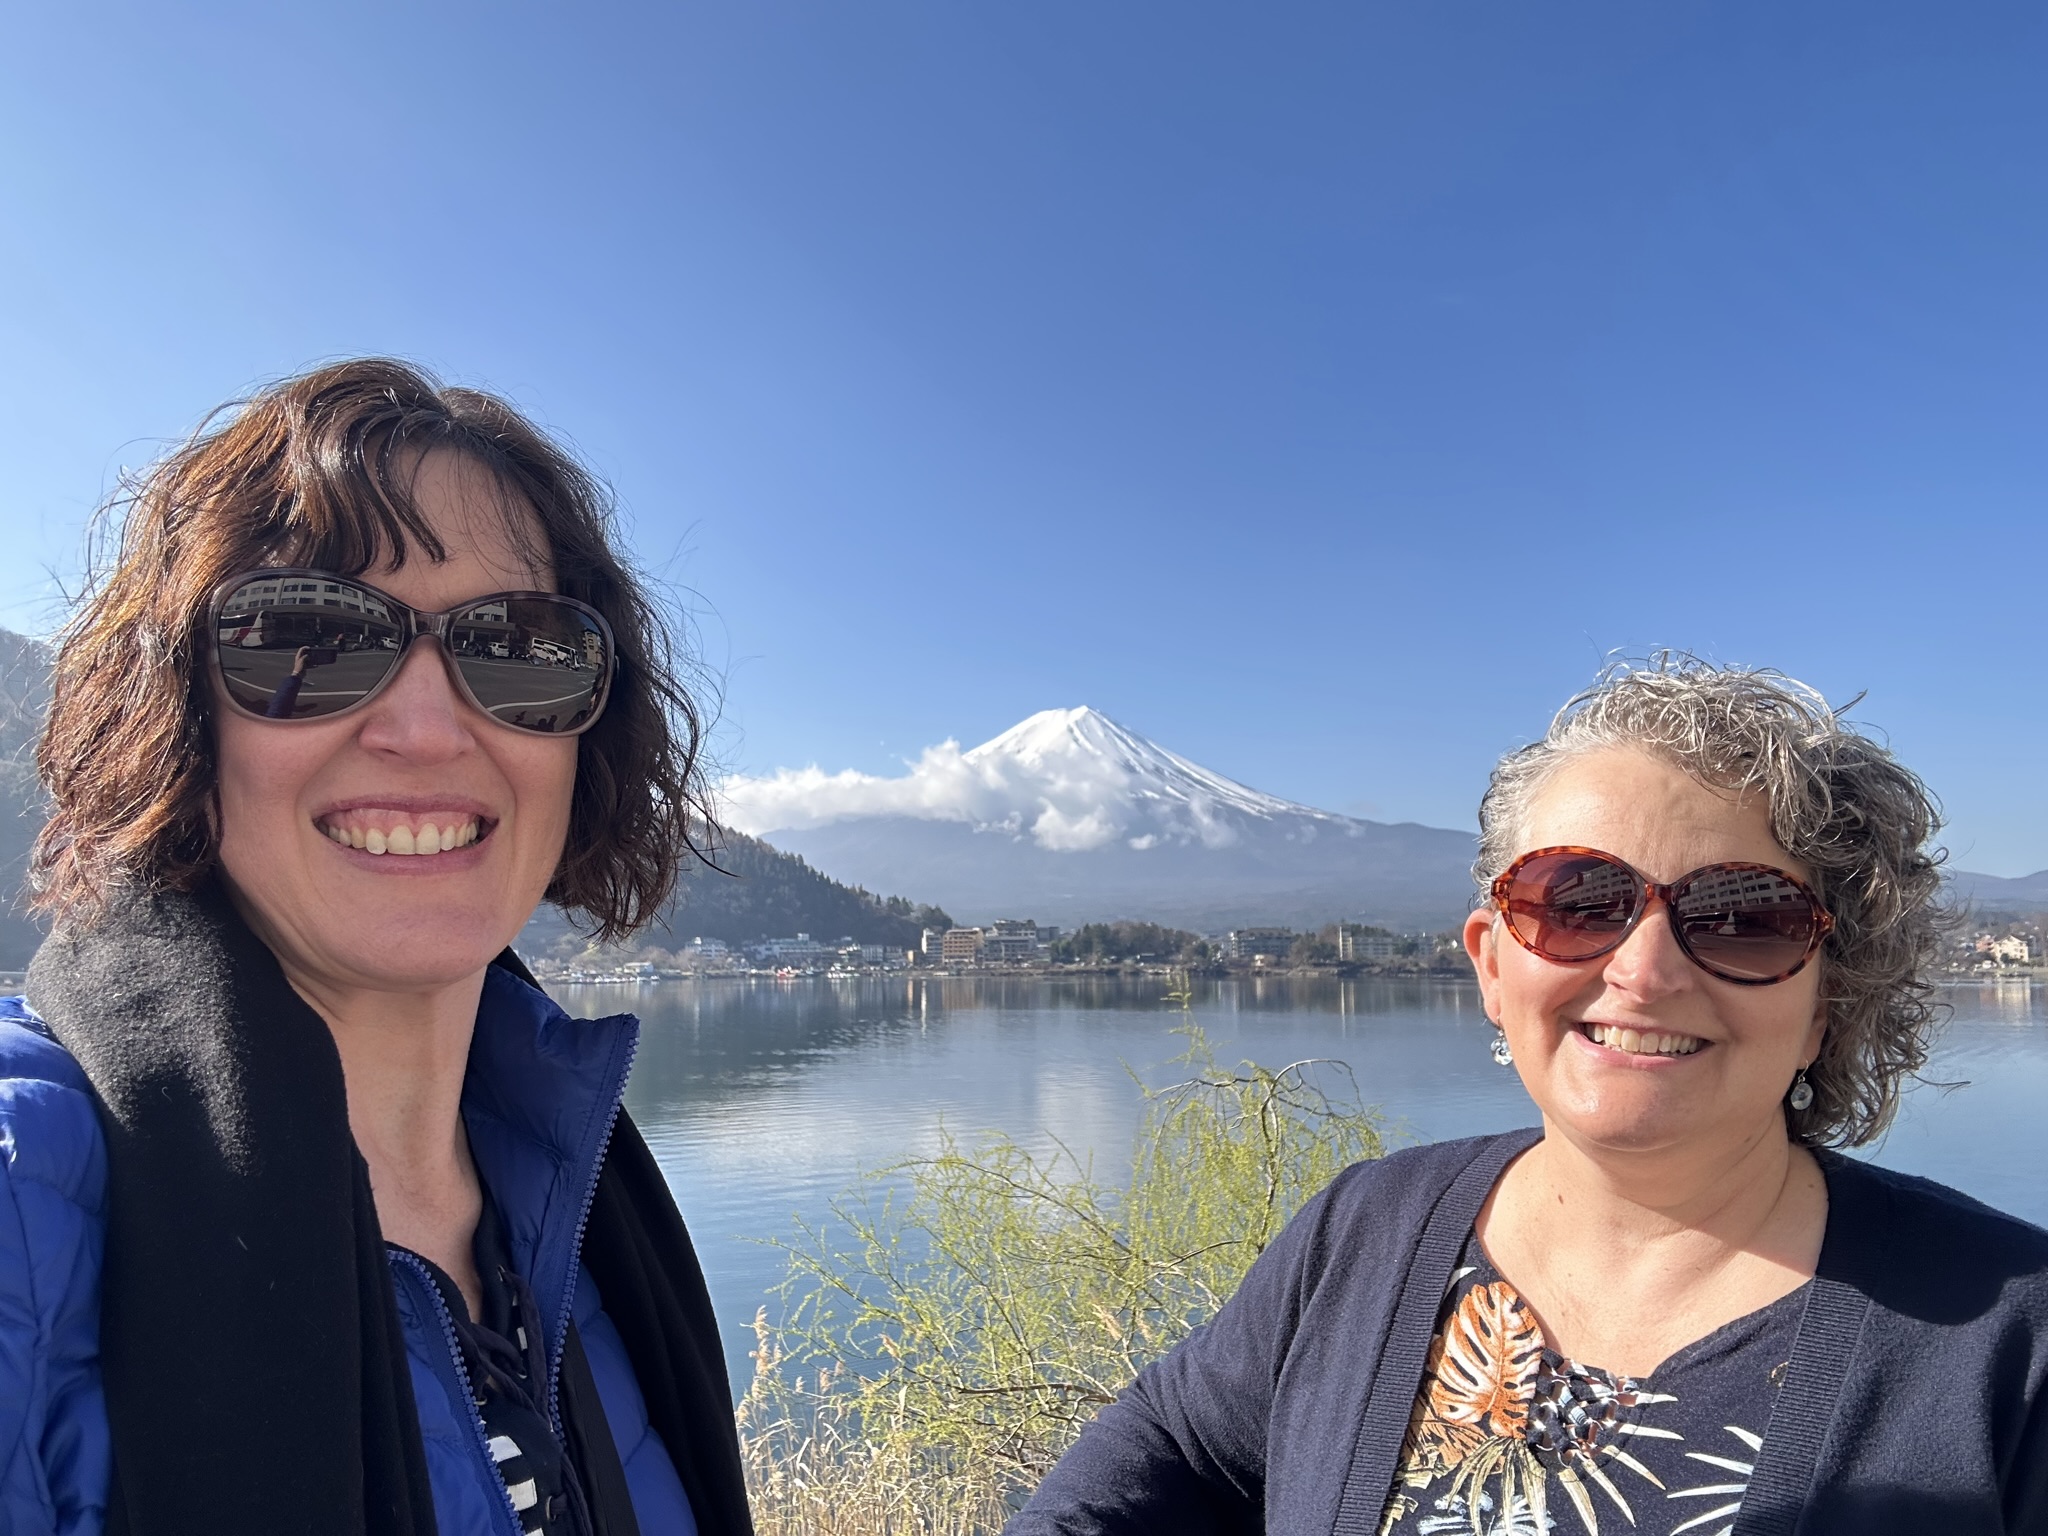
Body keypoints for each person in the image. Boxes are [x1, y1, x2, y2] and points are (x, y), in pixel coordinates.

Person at [1011, 660, 2048, 1535]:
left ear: (1830, 1000)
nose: (1642, 971)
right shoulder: (1362, 1234)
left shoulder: (2011, 1346)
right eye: (1577, 901)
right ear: (1491, 967)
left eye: (1741, 917)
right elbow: (1178, 1455)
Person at [0, 359, 752, 1535]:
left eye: (516, 648)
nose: (425, 726)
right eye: (304, 636)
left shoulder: (582, 1206)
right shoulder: (26, 1193)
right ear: (176, 717)